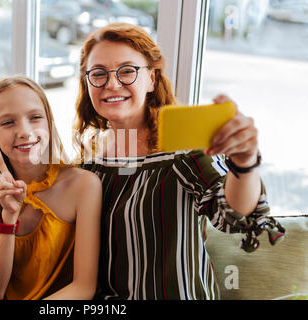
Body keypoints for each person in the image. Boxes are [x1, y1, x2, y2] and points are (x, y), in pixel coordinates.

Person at [73, 23, 285, 300]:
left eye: (127, 70)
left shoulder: (182, 153)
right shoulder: (87, 165)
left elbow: (235, 215)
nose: (112, 84)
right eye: (98, 73)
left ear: (151, 78)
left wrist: (244, 162)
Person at [0, 76, 102, 300]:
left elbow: (84, 287)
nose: (25, 132)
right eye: (8, 123)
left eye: (35, 117)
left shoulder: (84, 185)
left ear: (49, 122)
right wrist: (9, 218)